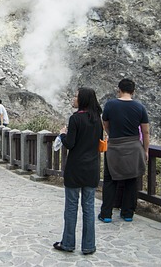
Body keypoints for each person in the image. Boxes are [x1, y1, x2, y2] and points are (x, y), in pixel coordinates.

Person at [53, 88, 103, 255]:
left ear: (82, 100)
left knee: (71, 207)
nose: (73, 98)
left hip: (75, 169)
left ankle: (68, 243)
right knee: (89, 208)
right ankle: (88, 245)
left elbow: (70, 144)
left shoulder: (75, 119)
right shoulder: (98, 119)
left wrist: (62, 135)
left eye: (76, 96)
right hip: (92, 168)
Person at [98, 78, 149, 222]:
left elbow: (105, 125)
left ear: (118, 90)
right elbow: (145, 132)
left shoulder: (110, 105)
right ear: (133, 91)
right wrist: (146, 150)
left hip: (114, 146)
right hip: (134, 146)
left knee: (110, 180)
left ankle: (106, 214)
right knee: (131, 180)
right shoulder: (140, 107)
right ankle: (128, 213)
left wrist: (112, 135)